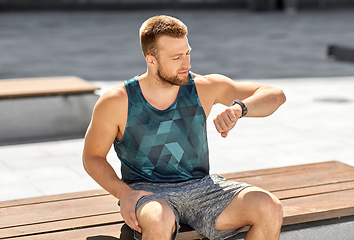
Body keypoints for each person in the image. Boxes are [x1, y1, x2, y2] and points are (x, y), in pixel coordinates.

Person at [83, 15, 286, 240]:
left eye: (188, 53)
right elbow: (92, 157)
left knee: (269, 207)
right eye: (176, 57)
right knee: (158, 222)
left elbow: (275, 95)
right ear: (151, 60)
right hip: (149, 193)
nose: (187, 64)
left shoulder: (203, 87)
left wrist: (239, 109)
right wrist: (124, 193)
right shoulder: (117, 101)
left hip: (202, 188)